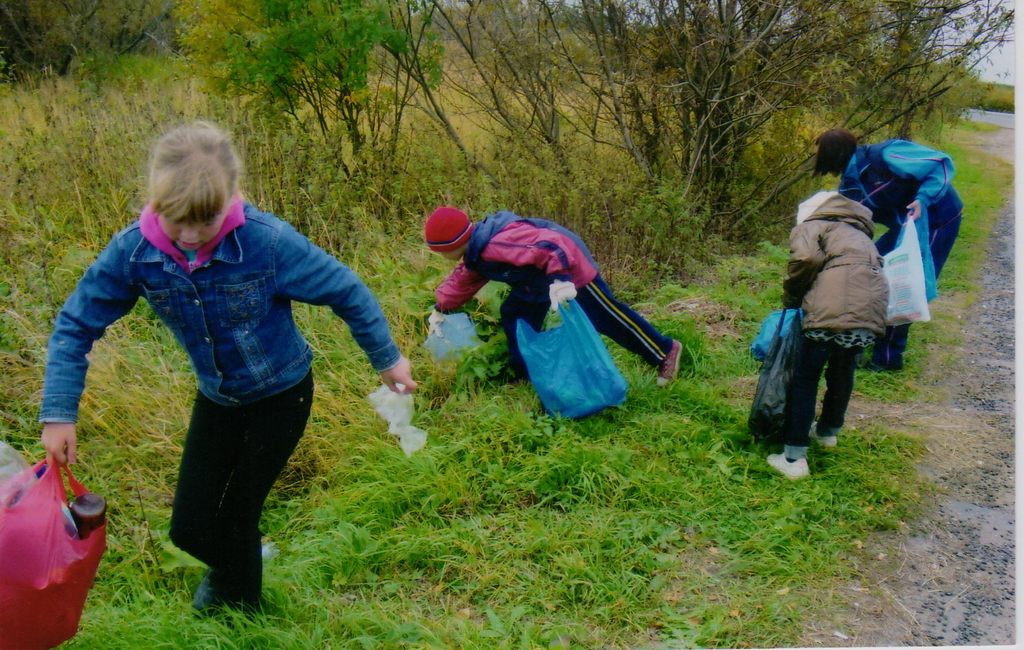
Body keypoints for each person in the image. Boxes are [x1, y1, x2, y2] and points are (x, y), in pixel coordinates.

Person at [38, 122, 417, 611]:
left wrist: (386, 358)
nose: (192, 236)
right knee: (190, 527)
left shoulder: (268, 243)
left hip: (282, 397)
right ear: (155, 201)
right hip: (217, 399)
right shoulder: (135, 252)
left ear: (231, 196)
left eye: (207, 221)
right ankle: (241, 568)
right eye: (178, 222)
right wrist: (59, 412)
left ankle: (243, 614)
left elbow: (347, 291)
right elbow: (74, 325)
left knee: (237, 518)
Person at [423, 206, 681, 386]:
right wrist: (440, 308)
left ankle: (664, 351)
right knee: (514, 315)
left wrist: (562, 280)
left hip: (571, 274)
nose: (440, 256)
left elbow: (553, 246)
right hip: (535, 286)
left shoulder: (499, 243)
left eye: (439, 251)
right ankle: (526, 375)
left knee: (607, 319)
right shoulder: (477, 254)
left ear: (452, 245)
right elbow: (463, 280)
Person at [814, 127, 963, 371]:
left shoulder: (886, 155)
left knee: (905, 284)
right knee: (872, 272)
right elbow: (853, 225)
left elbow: (940, 165)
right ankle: (861, 340)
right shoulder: (849, 186)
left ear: (834, 155)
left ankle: (888, 358)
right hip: (904, 227)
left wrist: (923, 198)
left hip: (937, 218)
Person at [766, 191, 888, 479]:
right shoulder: (858, 232)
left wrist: (791, 297)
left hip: (830, 310)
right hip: (869, 311)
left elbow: (805, 258)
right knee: (842, 370)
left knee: (806, 377)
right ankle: (828, 432)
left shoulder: (813, 225)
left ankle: (794, 458)